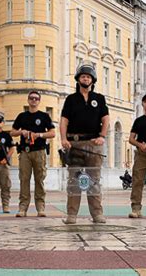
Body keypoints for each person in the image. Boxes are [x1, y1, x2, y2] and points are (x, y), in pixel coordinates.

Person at [60, 61, 109, 224]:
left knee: (94, 181)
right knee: (74, 181)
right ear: (78, 79)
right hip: (74, 144)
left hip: (94, 145)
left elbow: (106, 119)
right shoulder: (71, 99)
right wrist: (63, 139)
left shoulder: (99, 99)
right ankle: (71, 215)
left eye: (88, 77)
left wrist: (102, 136)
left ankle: (97, 214)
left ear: (93, 80)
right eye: (83, 76)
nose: (85, 79)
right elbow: (64, 121)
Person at [11, 91, 55, 218]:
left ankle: (40, 207)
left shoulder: (44, 116)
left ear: (39, 101)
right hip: (25, 152)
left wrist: (39, 135)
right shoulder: (22, 116)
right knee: (24, 180)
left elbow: (52, 133)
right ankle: (22, 207)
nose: (34, 100)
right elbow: (12, 132)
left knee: (39, 180)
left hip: (39, 151)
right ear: (28, 100)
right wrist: (21, 132)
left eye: (36, 99)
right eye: (31, 98)